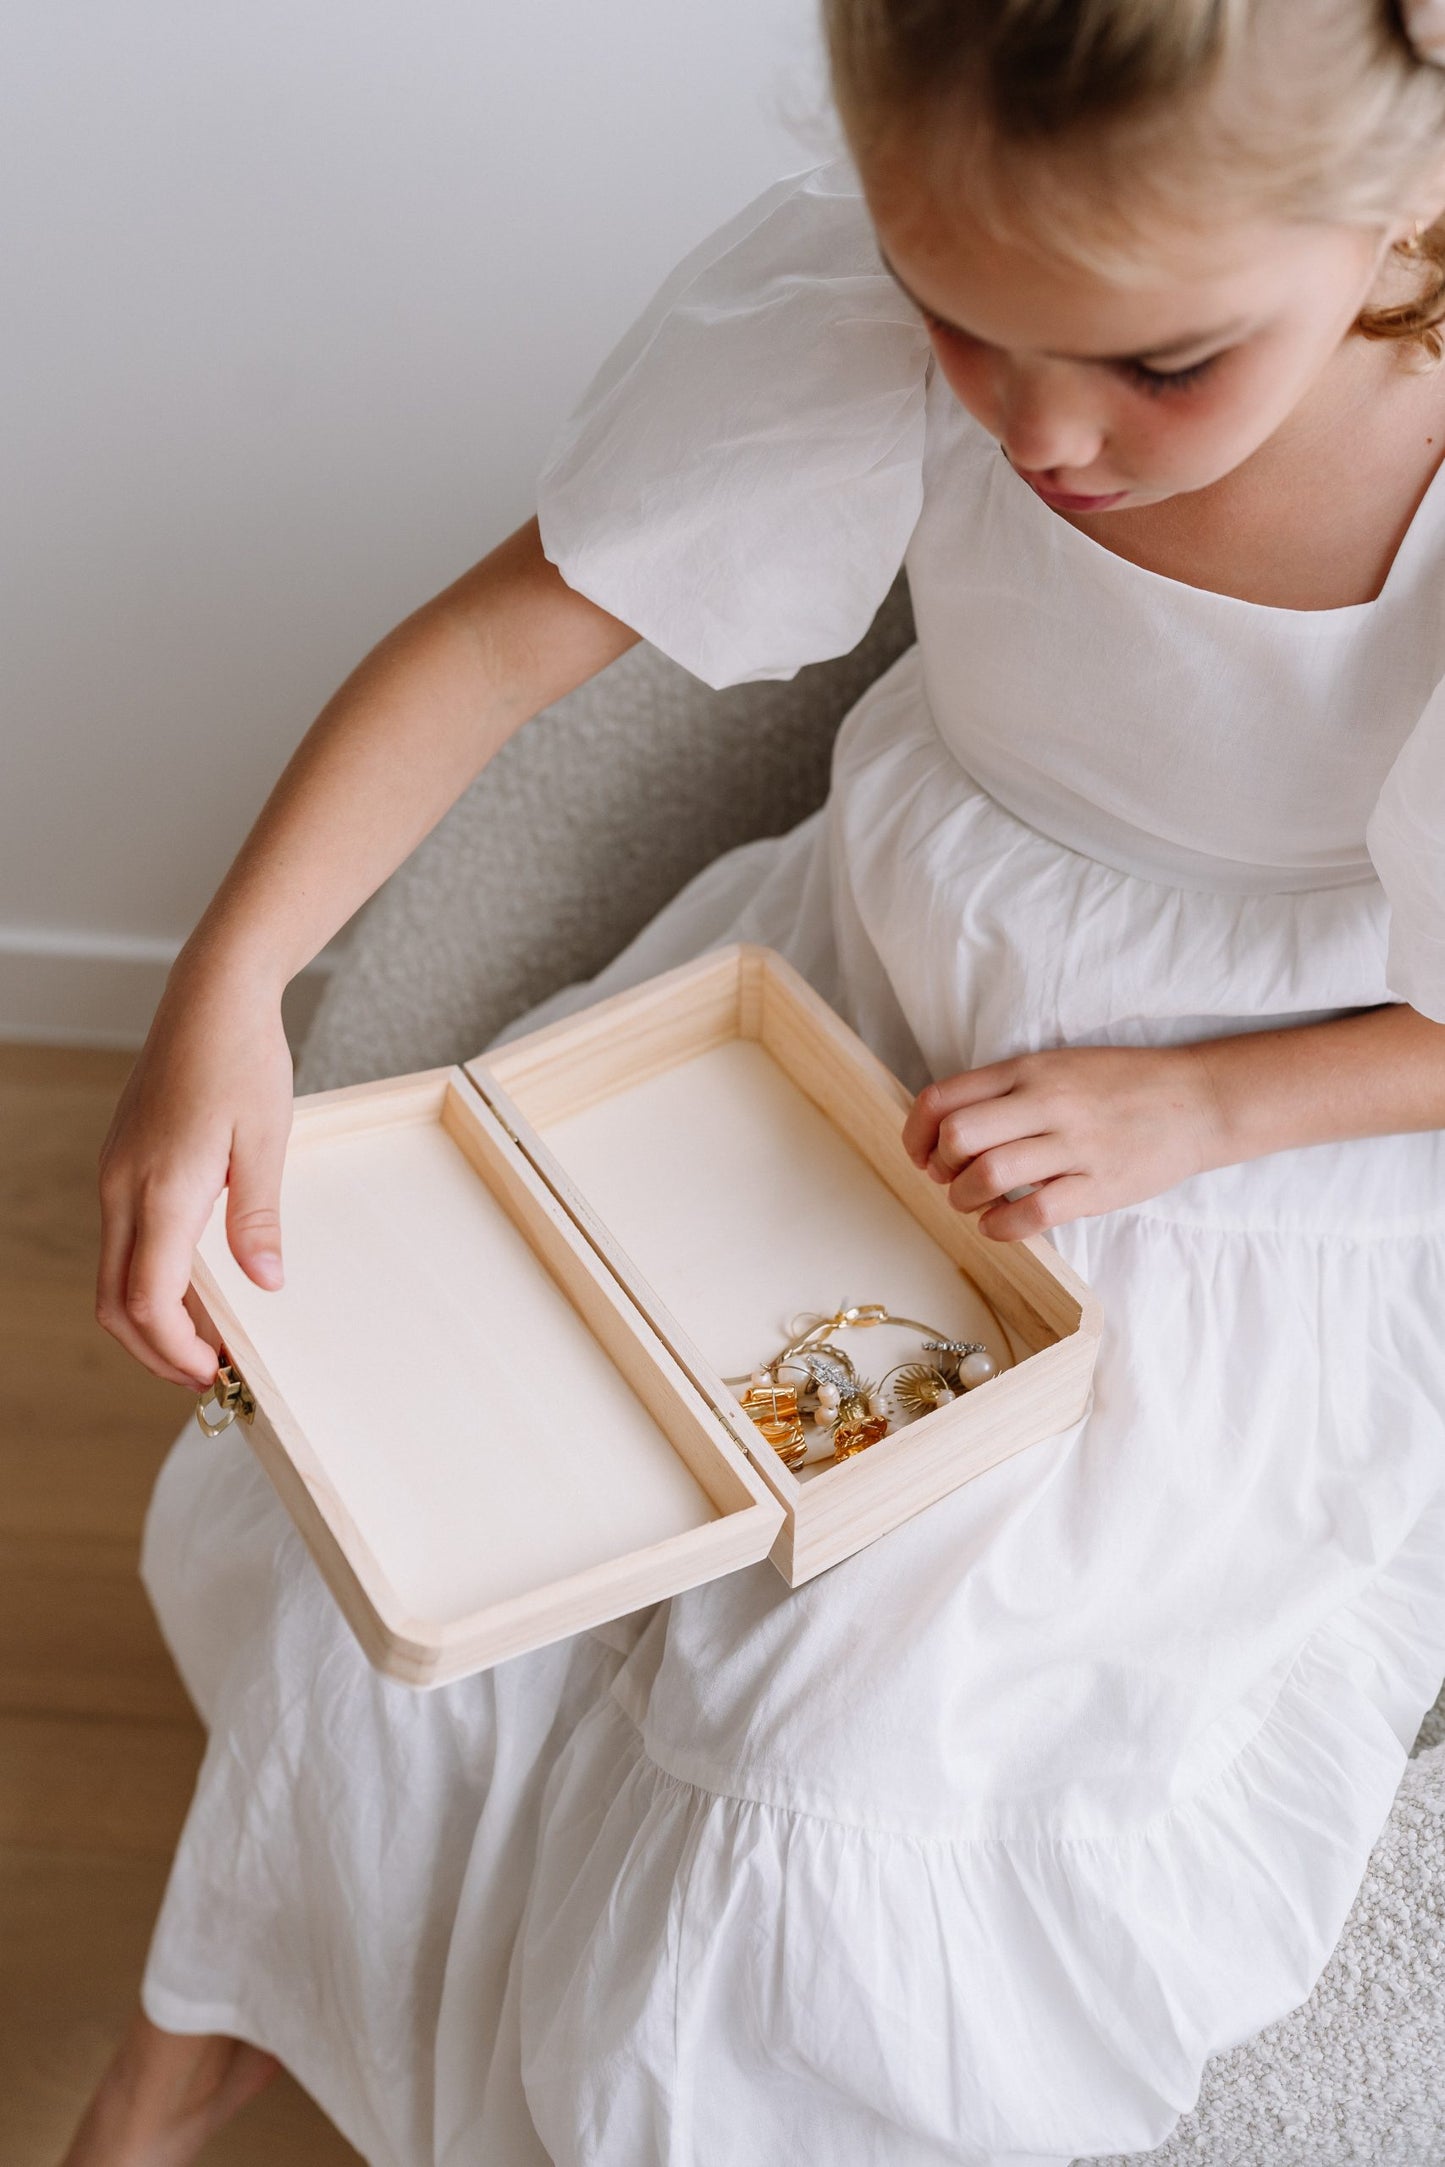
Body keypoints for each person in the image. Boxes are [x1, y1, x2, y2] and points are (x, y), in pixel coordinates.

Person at [67, 2, 1445, 2162]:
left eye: (1160, 364)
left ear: (1410, 193)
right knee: (438, 1550)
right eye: (959, 324)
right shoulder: (888, 312)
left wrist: (1210, 1107)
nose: (1044, 437)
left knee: (825, 1780)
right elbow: (503, 637)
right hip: (845, 1001)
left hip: (1276, 1143)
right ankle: (228, 1993)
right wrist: (227, 986)